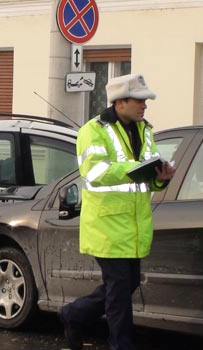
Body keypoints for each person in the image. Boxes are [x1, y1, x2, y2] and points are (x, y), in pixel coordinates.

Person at [60, 73, 175, 350]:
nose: (145, 106)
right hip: (106, 227)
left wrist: (161, 176)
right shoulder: (93, 130)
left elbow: (149, 178)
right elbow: (95, 172)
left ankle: (74, 314)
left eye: (145, 101)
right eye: (140, 101)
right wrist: (134, 171)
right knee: (120, 292)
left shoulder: (145, 129)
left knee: (126, 285)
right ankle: (121, 345)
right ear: (120, 102)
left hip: (134, 227)